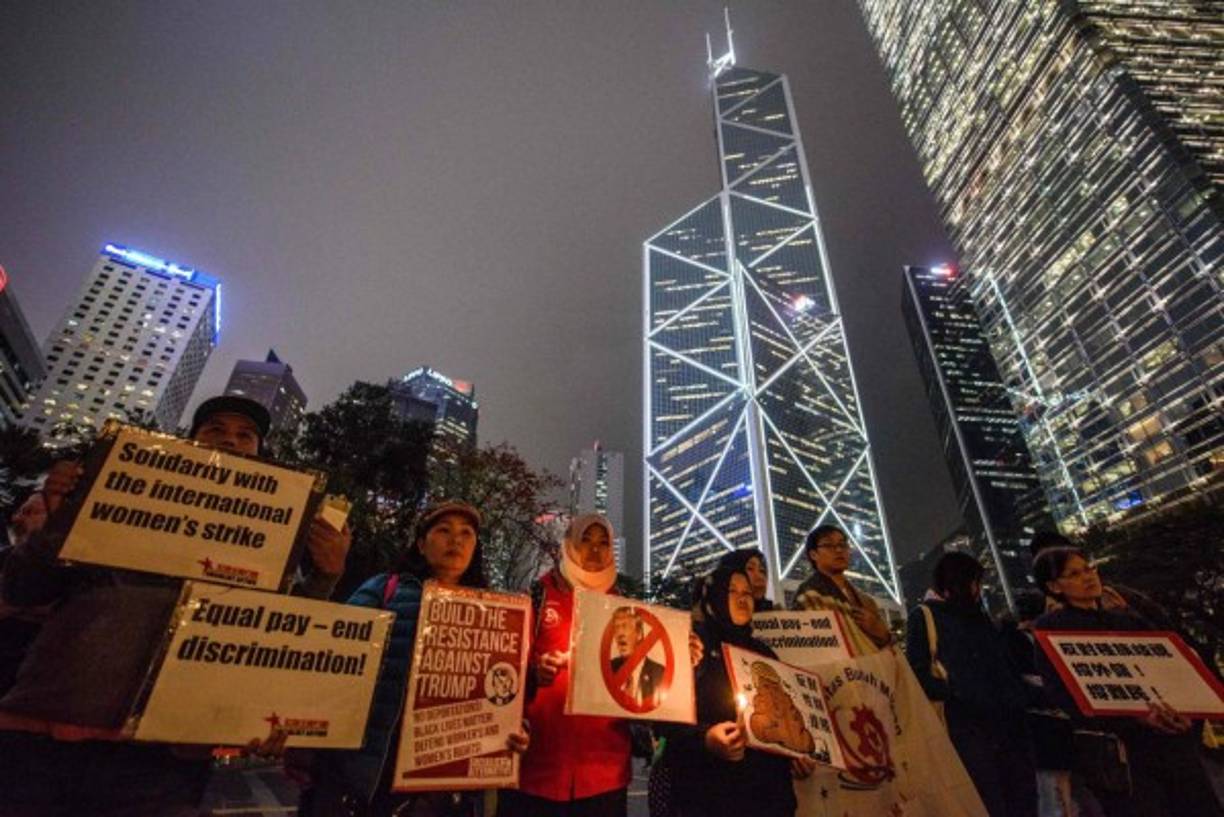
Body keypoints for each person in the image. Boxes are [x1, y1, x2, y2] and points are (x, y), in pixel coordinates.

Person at [0, 395, 352, 817]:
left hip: (165, 761)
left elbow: (274, 636)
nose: (231, 441)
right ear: (189, 442)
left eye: (246, 436)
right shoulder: (120, 501)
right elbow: (24, 588)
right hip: (45, 737)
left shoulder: (268, 550)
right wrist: (64, 518)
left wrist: (326, 575)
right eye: (215, 429)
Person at [302, 500, 529, 817]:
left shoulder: (495, 614)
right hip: (366, 777)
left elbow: (499, 692)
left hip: (441, 791)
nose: (456, 540)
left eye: (467, 533)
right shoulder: (383, 590)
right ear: (422, 544)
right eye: (443, 530)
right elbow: (331, 652)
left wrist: (511, 728)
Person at [1032, 547, 1222, 817]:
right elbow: (1065, 695)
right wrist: (1136, 718)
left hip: (1173, 745)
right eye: (1074, 574)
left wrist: (1185, 712)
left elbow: (1171, 668)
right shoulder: (1052, 629)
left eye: (1089, 568)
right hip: (1127, 757)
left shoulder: (1128, 619)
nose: (1088, 577)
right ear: (1053, 586)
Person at [500, 513, 630, 817]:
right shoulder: (538, 596)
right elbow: (504, 661)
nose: (595, 551)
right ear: (569, 546)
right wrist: (534, 671)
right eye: (585, 541)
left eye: (603, 543)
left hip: (605, 771)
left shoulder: (624, 606)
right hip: (537, 768)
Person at [657, 566, 812, 817]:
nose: (742, 599)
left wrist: (795, 755)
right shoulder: (692, 646)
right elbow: (665, 721)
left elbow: (785, 718)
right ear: (715, 596)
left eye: (748, 593)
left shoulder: (764, 653)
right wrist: (705, 738)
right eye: (732, 591)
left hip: (769, 799)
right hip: (707, 799)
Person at [905, 552, 1036, 817]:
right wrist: (957, 693)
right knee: (985, 800)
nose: (979, 589)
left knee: (1022, 798)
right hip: (965, 727)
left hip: (1008, 723)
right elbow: (917, 672)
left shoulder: (981, 617)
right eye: (975, 582)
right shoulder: (925, 616)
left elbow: (1001, 666)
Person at [792, 524, 891, 649]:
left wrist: (880, 632)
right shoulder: (809, 595)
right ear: (813, 555)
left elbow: (888, 645)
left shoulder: (867, 601)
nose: (839, 550)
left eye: (843, 545)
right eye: (828, 545)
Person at [609, 606, 664, 709]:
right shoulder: (609, 668)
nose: (620, 634)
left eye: (625, 626)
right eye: (616, 627)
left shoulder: (659, 672)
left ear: (639, 633)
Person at [717, 547, 774, 611]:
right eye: (750, 568)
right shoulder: (712, 615)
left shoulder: (775, 615)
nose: (760, 577)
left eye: (762, 571)